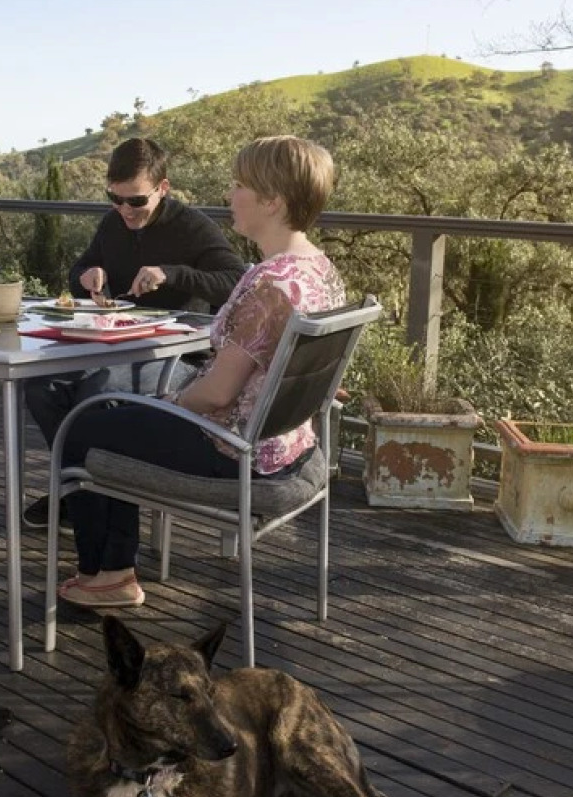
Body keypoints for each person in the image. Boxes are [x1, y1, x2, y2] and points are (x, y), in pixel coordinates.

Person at [55, 135, 347, 609]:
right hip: (291, 444)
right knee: (113, 413)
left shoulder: (269, 286)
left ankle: (108, 575)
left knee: (83, 425)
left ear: (271, 201)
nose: (229, 195)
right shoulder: (318, 269)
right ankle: (113, 566)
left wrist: (165, 404)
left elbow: (215, 395)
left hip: (237, 452)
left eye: (238, 185)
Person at [22, 137, 246, 524]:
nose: (125, 209)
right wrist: (87, 276)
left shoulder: (191, 227)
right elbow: (79, 273)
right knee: (43, 387)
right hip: (115, 345)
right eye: (116, 198)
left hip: (179, 355)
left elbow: (236, 280)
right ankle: (77, 489)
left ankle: (92, 501)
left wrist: (172, 273)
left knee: (99, 392)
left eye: (136, 201)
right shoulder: (113, 224)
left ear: (163, 188)